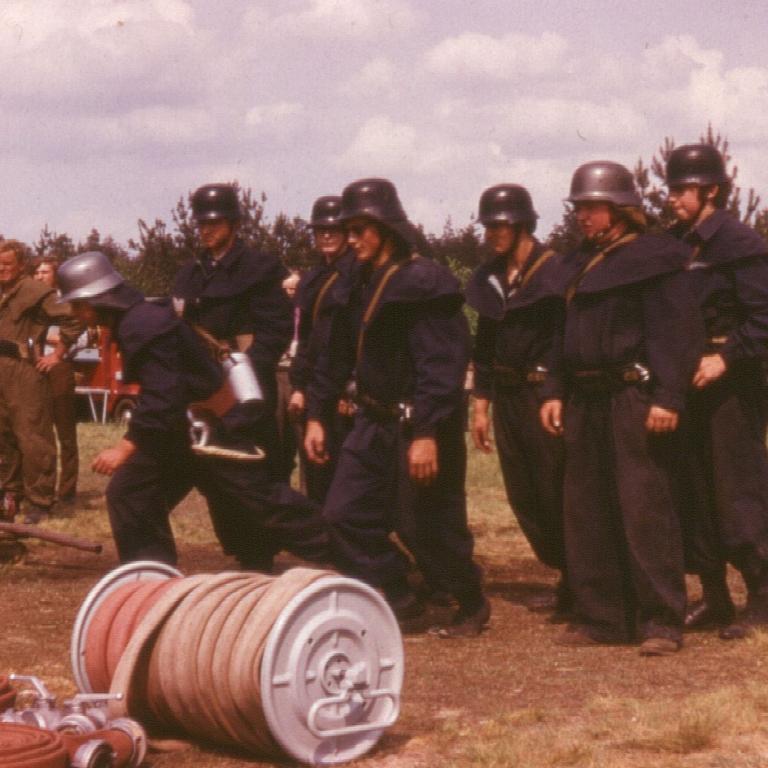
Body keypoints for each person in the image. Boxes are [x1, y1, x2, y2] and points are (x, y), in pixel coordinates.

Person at [58, 250, 330, 568]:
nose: (75, 313)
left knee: (264, 503)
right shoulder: (137, 320)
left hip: (217, 428)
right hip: (183, 430)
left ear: (97, 300)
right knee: (131, 492)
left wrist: (125, 447)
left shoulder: (142, 324)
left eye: (78, 305)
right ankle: (153, 578)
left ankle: (351, 556)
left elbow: (163, 397)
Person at [305, 178, 489, 637]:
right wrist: (317, 415)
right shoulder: (354, 282)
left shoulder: (424, 283)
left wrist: (426, 433)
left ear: (385, 228)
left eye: (359, 230)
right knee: (341, 516)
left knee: (426, 522)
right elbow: (333, 356)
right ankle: (401, 595)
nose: (350, 240)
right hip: (372, 420)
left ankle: (469, 599)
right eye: (347, 231)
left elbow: (441, 365)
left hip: (419, 422)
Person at [539, 161, 702, 655]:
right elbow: (560, 336)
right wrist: (553, 390)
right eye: (579, 207)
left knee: (644, 507)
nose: (582, 216)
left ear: (620, 209)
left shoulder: (654, 258)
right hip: (584, 399)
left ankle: (661, 621)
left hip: (633, 396)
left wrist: (669, 397)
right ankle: (604, 617)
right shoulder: (577, 264)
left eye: (592, 207)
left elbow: (676, 332)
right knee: (586, 508)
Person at [171, 183, 329, 571]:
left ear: (234, 223)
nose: (206, 229)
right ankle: (241, 548)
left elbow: (275, 329)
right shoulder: (191, 272)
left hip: (246, 383)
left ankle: (266, 552)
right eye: (201, 223)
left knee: (255, 469)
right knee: (213, 468)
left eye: (214, 222)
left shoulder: (259, 268)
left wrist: (242, 371)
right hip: (203, 385)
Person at [665, 144, 768, 639]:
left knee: (736, 488)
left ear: (710, 190)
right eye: (670, 190)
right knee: (692, 486)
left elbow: (763, 316)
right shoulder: (674, 243)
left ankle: (761, 595)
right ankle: (714, 595)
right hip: (685, 380)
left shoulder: (739, 242)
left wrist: (726, 358)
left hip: (731, 382)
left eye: (681, 190)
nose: (672, 199)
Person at [467, 184, 573, 620]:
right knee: (523, 494)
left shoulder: (555, 271)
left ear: (522, 224)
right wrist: (481, 403)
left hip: (542, 394)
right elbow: (485, 343)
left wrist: (555, 392)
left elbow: (563, 337)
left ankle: (580, 581)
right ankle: (567, 573)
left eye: (500, 225)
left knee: (554, 489)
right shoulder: (492, 277)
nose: (492, 233)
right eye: (488, 226)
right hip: (507, 395)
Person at [0, 240, 82, 523]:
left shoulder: (35, 291)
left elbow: (73, 317)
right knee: (4, 437)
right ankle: (10, 496)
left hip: (24, 370)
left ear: (22, 265)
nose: (2, 269)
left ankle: (40, 501)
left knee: (33, 437)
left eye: (7, 264)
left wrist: (58, 354)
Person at [288, 196, 356, 504]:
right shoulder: (312, 279)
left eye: (333, 229)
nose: (326, 235)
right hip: (317, 387)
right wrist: (299, 387)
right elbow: (305, 340)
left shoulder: (358, 274)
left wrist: (350, 387)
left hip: (345, 391)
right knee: (317, 475)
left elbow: (350, 341)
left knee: (346, 479)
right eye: (320, 230)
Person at [32, 256, 79, 506]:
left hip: (60, 369)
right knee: (38, 432)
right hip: (34, 370)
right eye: (37, 272)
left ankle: (67, 490)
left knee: (65, 432)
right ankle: (41, 487)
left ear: (56, 276)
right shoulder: (32, 303)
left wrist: (54, 346)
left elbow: (81, 336)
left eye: (45, 272)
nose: (39, 276)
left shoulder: (67, 302)